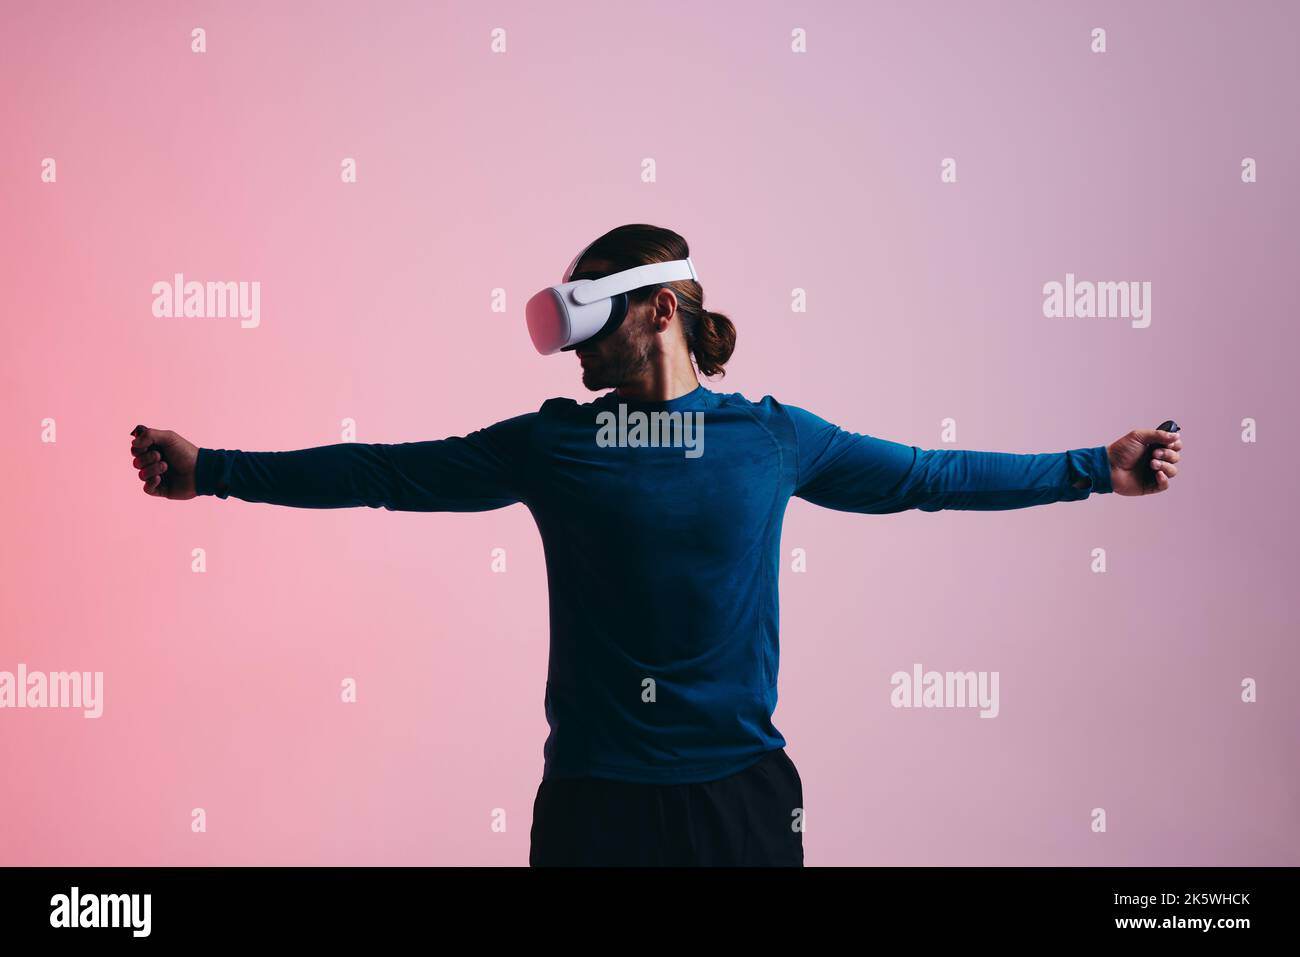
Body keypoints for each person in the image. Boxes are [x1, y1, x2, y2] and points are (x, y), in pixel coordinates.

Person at [128, 224, 1184, 867]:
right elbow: (379, 474)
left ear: (663, 308)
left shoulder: (772, 439)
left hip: (742, 805)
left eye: (596, 320)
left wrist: (1097, 465)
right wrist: (211, 466)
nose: (578, 353)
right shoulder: (550, 445)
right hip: (595, 806)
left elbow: (928, 478)